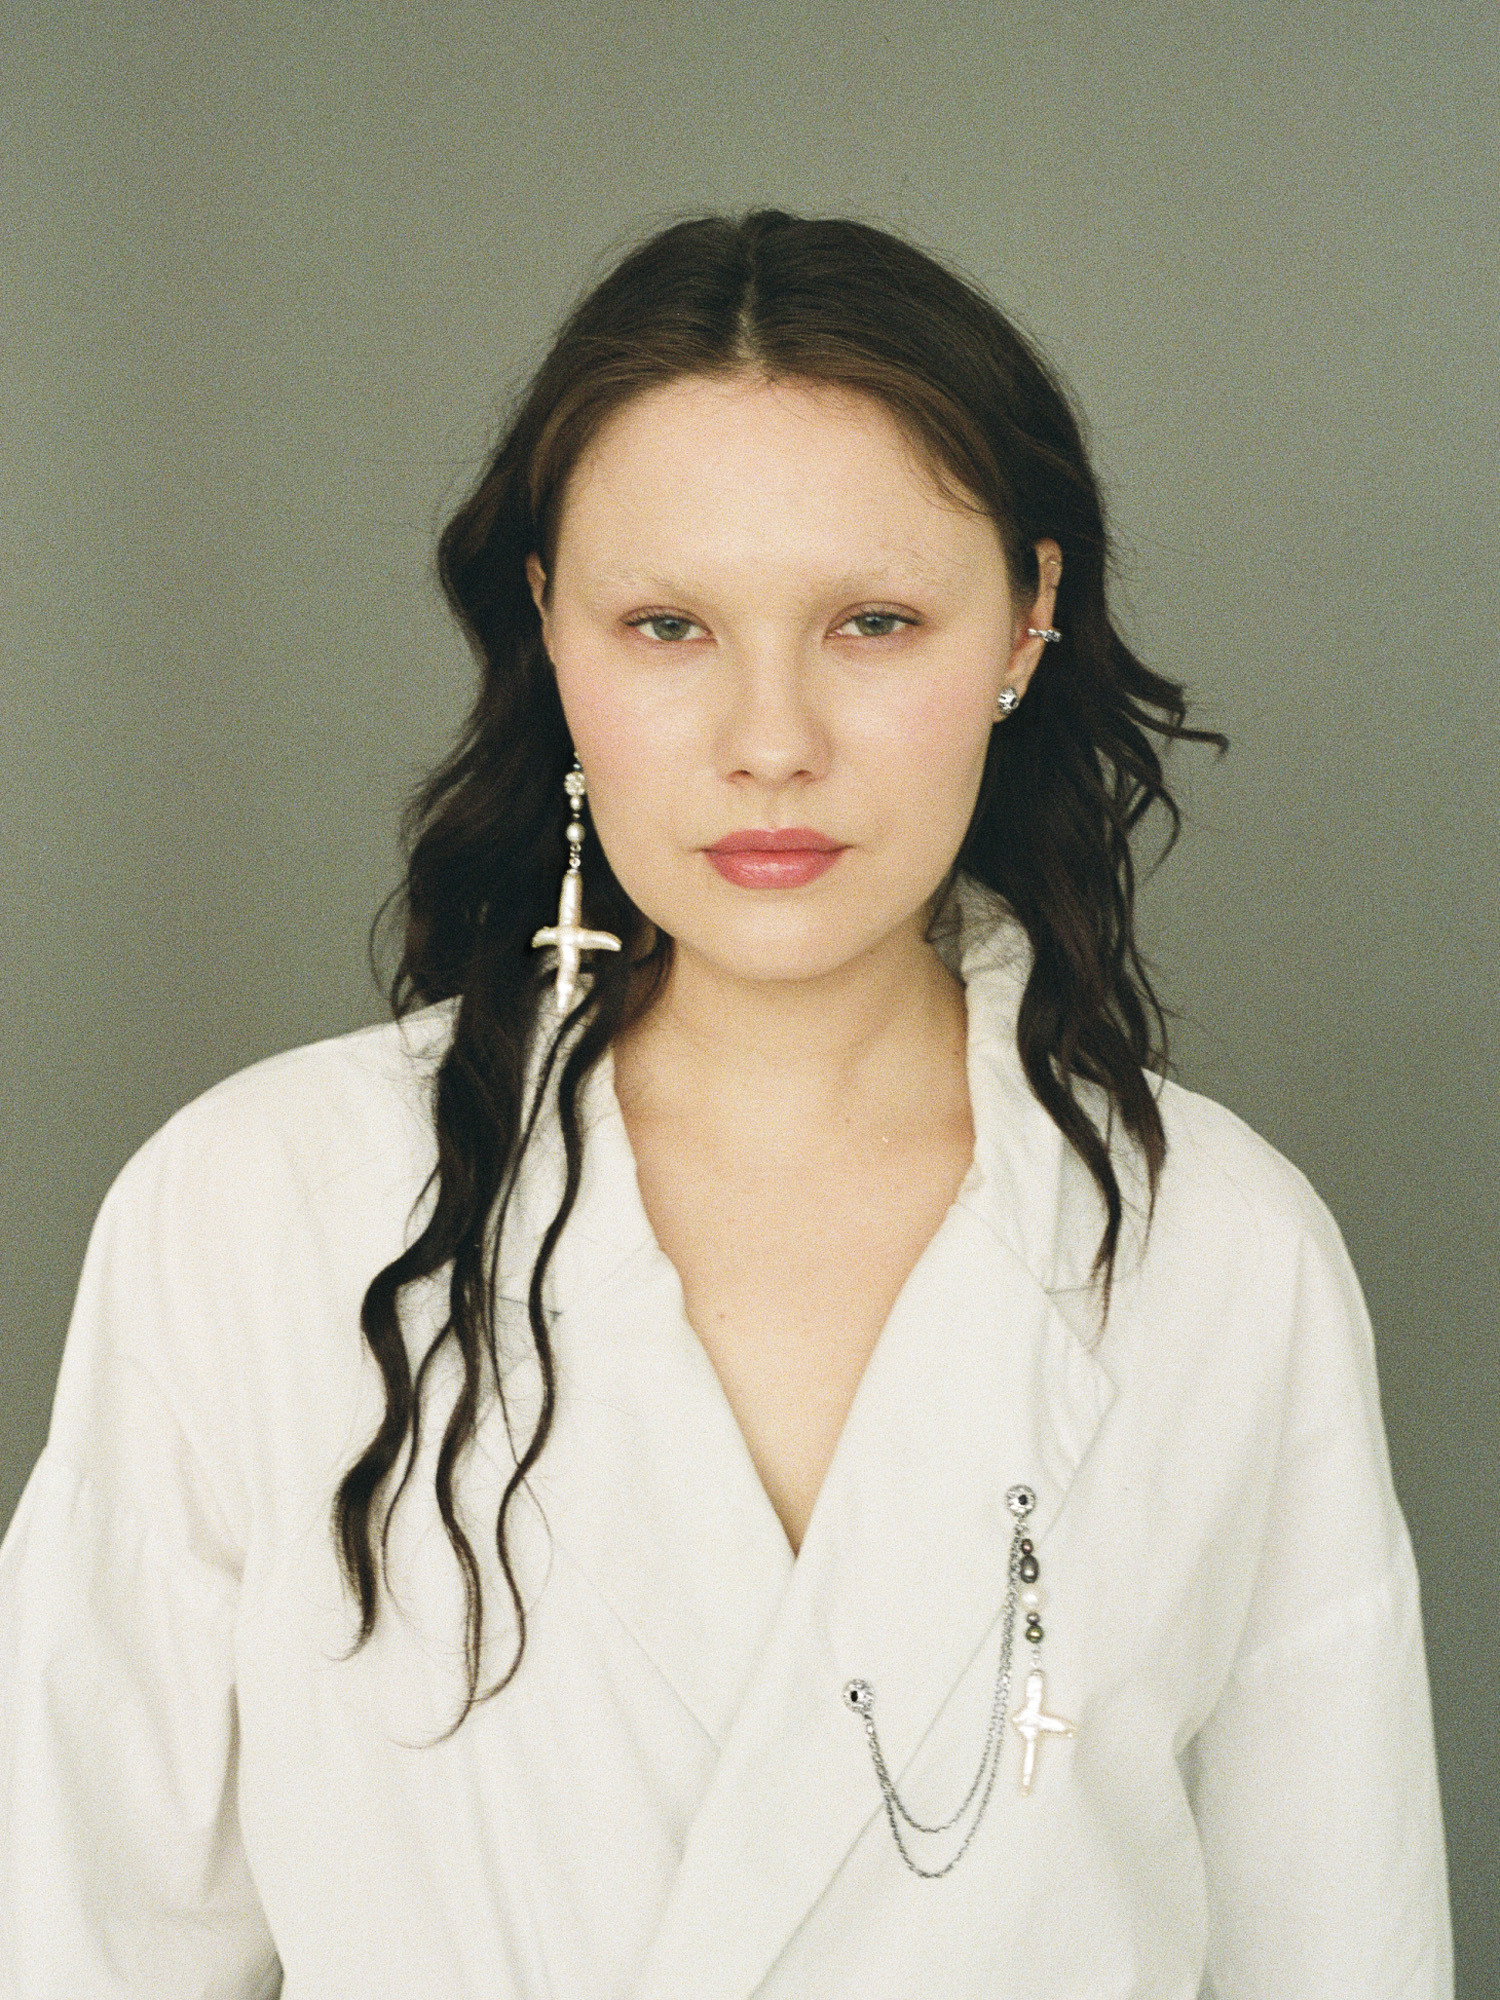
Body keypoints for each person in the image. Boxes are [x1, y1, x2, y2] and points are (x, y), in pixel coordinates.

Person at [0, 210, 1451, 1998]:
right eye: (670, 623)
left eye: (875, 621)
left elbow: (1342, 1950)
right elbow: (76, 1940)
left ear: (1030, 620)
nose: (773, 738)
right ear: (550, 626)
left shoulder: (1223, 1253)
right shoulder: (251, 1211)